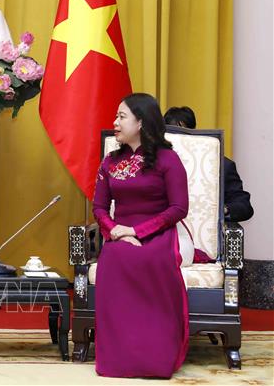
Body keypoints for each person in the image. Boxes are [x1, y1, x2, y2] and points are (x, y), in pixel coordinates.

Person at [93, 93, 189, 378]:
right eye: (116, 116)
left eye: (122, 117)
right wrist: (116, 231)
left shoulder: (168, 159)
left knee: (146, 258)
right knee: (115, 256)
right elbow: (99, 208)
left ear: (141, 122)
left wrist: (137, 231)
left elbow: (179, 208)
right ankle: (118, 358)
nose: (115, 122)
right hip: (119, 235)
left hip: (160, 232)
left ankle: (154, 357)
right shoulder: (110, 162)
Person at [164, 106, 254, 222]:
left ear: (194, 134)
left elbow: (244, 206)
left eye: (184, 135)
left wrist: (222, 210)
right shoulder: (152, 161)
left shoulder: (221, 165)